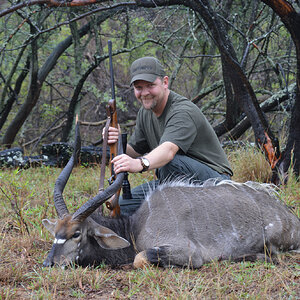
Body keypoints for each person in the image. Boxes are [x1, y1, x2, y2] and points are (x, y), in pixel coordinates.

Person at [104, 56, 233, 216]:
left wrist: (139, 164)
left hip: (217, 183)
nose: (144, 93)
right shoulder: (145, 113)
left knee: (169, 164)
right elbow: (133, 151)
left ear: (165, 82)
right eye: (139, 87)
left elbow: (168, 152)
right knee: (123, 209)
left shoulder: (182, 111)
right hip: (173, 181)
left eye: (150, 86)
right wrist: (114, 142)